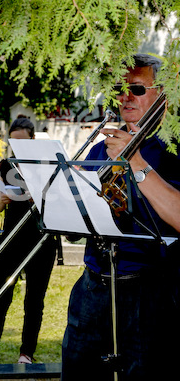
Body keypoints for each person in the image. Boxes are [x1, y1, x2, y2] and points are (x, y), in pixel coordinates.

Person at [61, 53, 180, 380]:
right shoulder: (102, 147)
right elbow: (80, 219)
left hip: (149, 292)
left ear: (163, 96)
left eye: (137, 90)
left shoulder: (174, 148)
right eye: (120, 89)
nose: (125, 96)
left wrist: (137, 162)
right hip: (91, 287)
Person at [0, 116, 58, 364]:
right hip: (11, 237)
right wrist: (4, 199)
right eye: (14, 143)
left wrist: (36, 196)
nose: (18, 148)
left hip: (41, 239)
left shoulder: (45, 164)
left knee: (34, 300)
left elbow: (56, 202)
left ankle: (26, 353)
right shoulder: (3, 165)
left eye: (23, 142)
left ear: (32, 139)